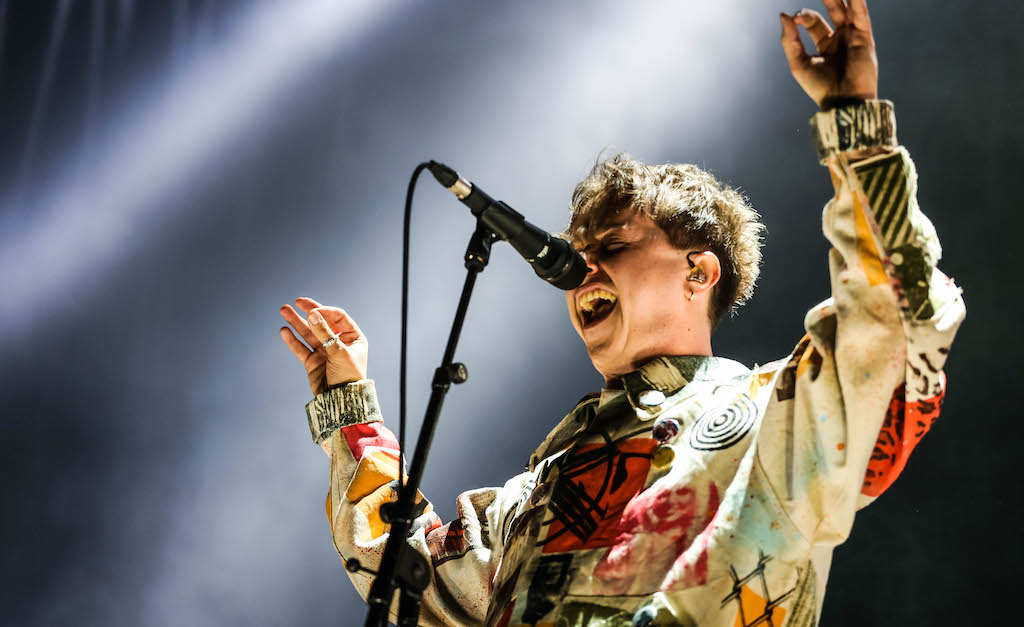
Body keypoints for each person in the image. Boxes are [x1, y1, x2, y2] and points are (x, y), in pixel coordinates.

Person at [279, 1, 965, 625]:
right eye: (574, 255)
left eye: (612, 246)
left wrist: (854, 123)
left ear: (698, 272)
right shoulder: (540, 490)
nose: (580, 271)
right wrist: (348, 406)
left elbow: (897, 321)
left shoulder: (770, 415)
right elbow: (408, 578)